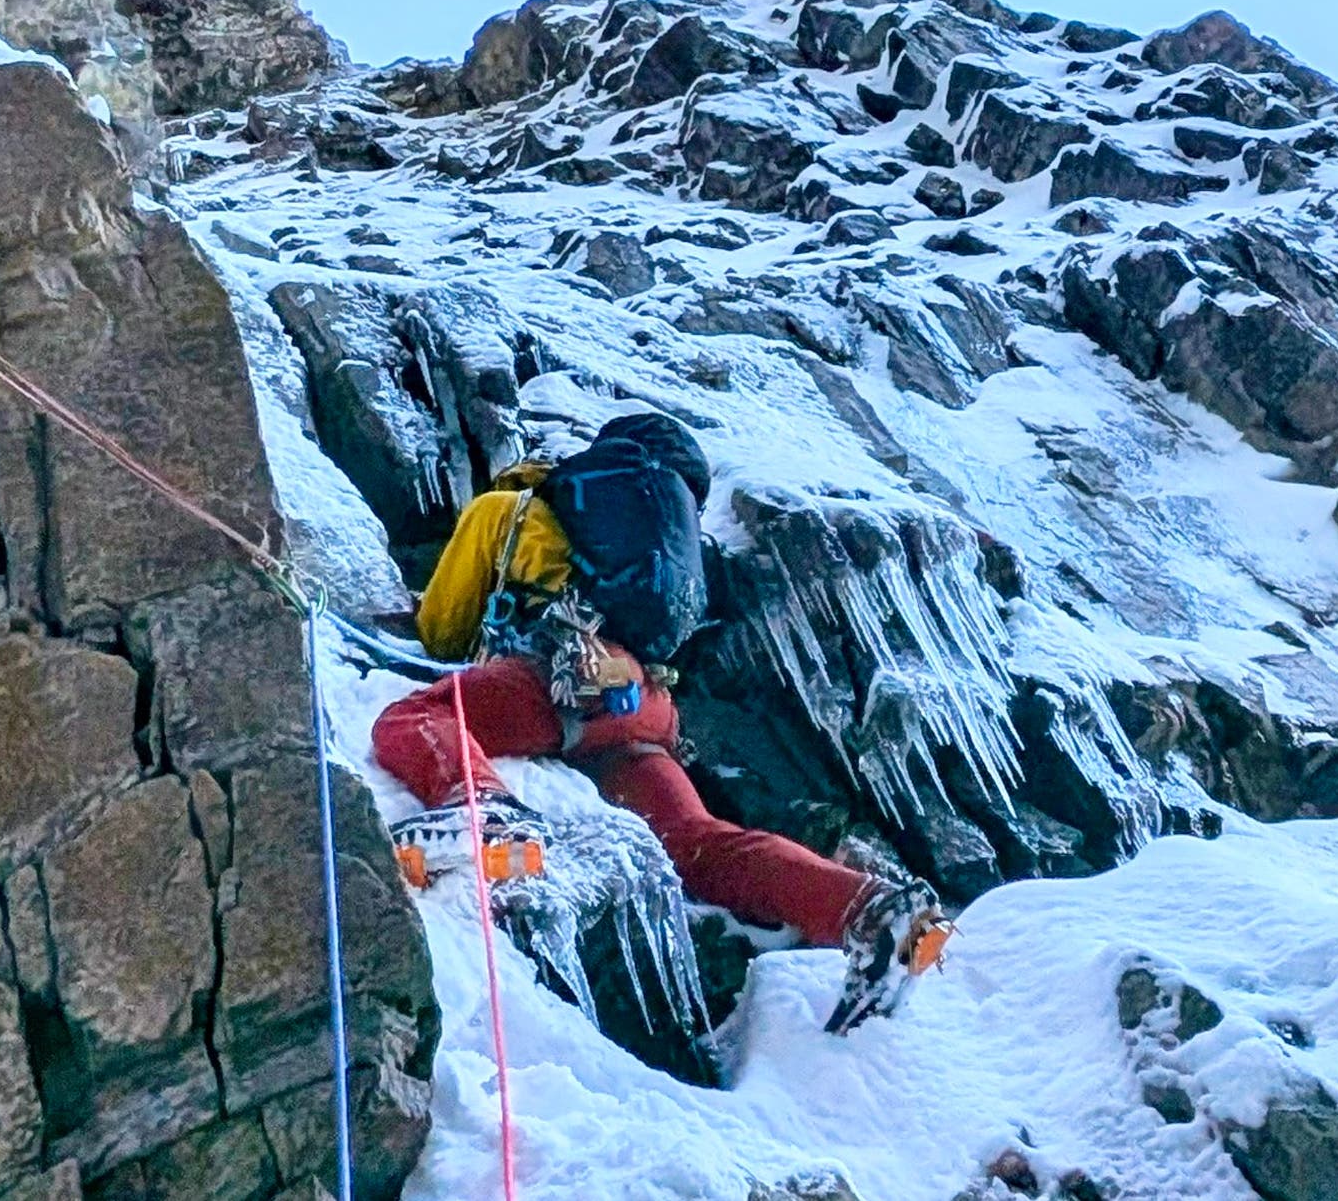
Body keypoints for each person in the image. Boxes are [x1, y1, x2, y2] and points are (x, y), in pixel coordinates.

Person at [371, 412, 950, 1032]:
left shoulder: (516, 507)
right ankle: (868, 907)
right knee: (696, 841)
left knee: (416, 716)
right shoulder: (678, 547)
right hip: (641, 707)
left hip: (555, 678)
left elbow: (441, 631)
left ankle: (481, 810)